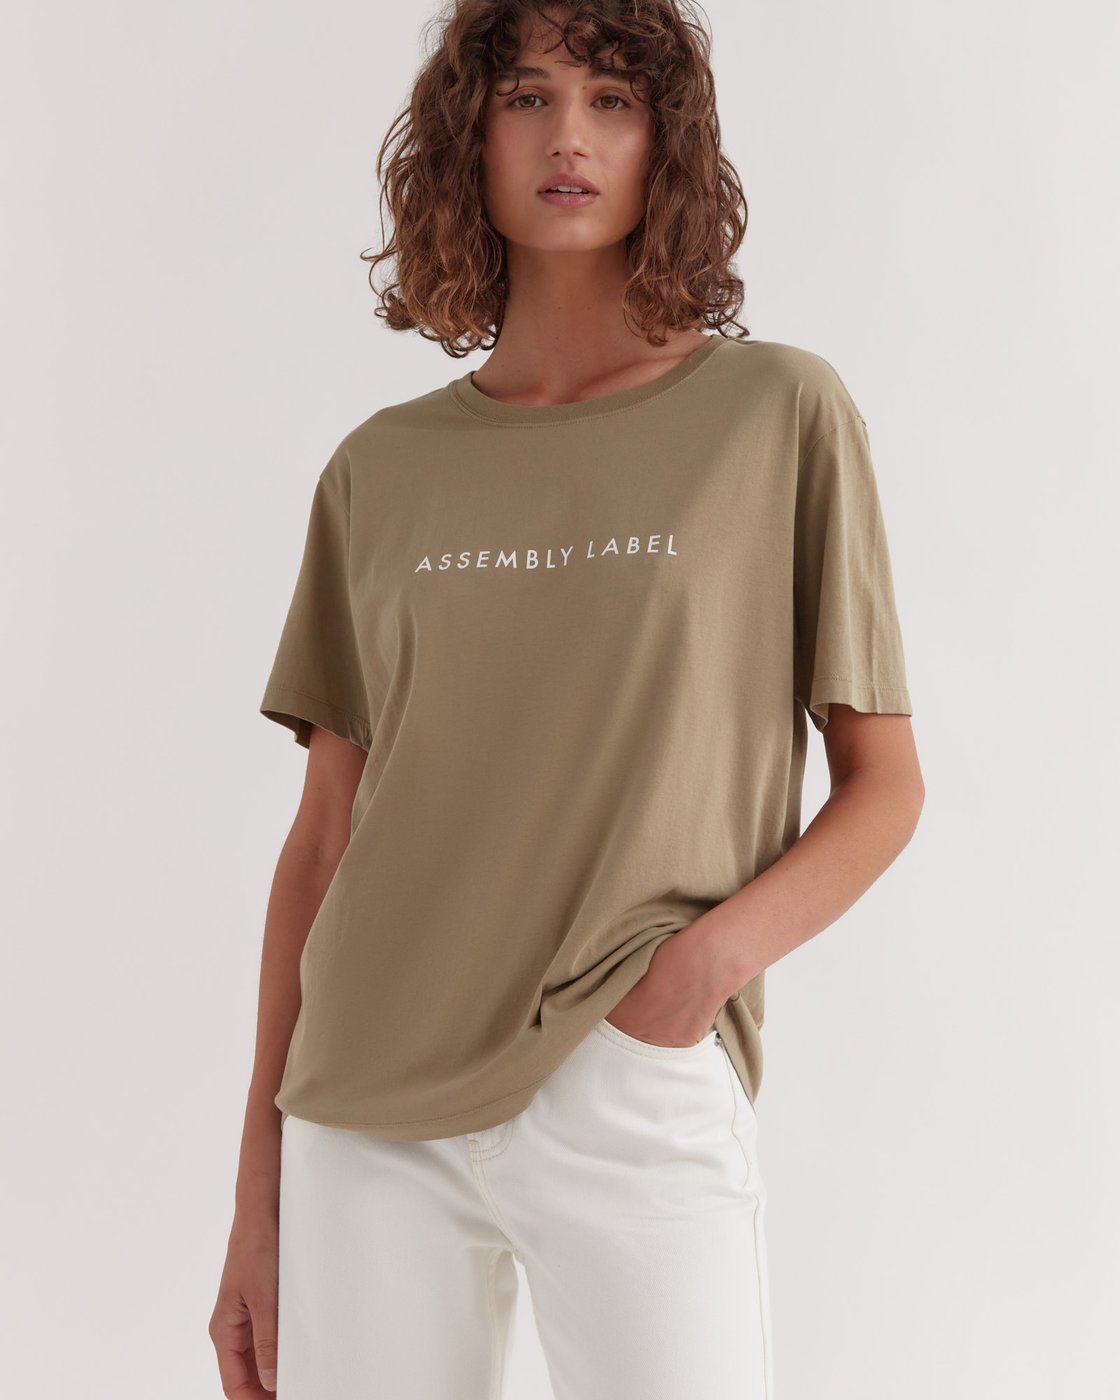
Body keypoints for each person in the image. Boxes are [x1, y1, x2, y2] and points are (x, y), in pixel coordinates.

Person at [208, 2, 925, 1396]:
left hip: (625, 1068)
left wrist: (700, 972)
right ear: (467, 142)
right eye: (527, 98)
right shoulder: (380, 471)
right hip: (363, 1104)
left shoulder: (775, 414)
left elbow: (884, 786)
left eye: (612, 99)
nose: (570, 139)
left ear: (668, 141)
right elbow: (322, 839)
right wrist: (260, 1182)